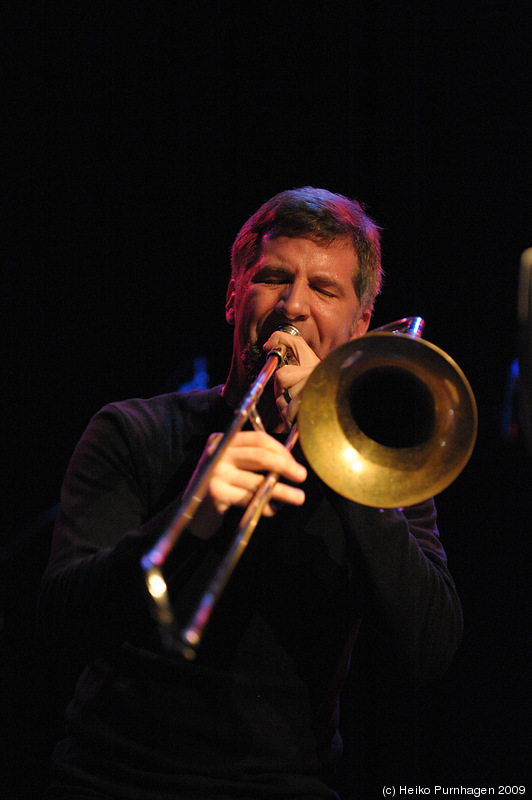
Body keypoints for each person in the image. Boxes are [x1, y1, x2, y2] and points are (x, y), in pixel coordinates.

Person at [38, 187, 463, 799]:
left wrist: (337, 451)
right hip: (112, 779)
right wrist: (188, 515)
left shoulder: (379, 468)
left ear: (361, 324)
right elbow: (57, 627)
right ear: (234, 297)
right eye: (272, 277)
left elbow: (432, 649)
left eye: (324, 288)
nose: (292, 307)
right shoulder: (132, 431)